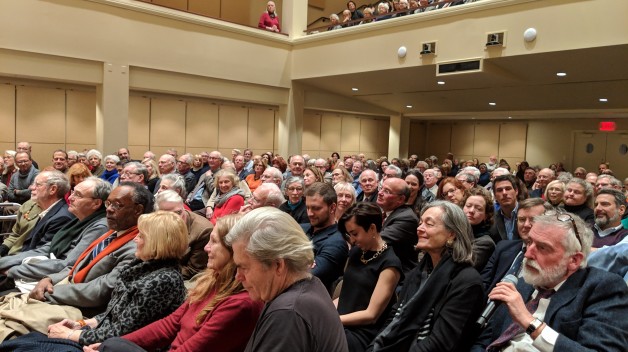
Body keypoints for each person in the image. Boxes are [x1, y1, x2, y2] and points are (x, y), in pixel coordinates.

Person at [0, 211, 189, 351]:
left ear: (157, 243)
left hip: (114, 346)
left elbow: (125, 331)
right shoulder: (142, 265)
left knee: (27, 346)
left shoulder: (162, 280)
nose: (136, 240)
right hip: (100, 334)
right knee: (24, 341)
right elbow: (113, 313)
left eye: (141, 236)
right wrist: (83, 324)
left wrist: (74, 335)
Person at [82, 214, 264, 352]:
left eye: (214, 242)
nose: (206, 248)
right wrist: (104, 345)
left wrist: (95, 342)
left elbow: (192, 349)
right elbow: (169, 325)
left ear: (234, 251)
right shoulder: (212, 282)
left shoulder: (240, 304)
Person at [471, 211, 628, 352]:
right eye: (530, 242)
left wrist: (528, 321)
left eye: (542, 248)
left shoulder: (602, 287)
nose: (528, 254)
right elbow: (485, 340)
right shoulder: (526, 281)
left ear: (574, 260)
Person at [225, 207, 349, 352]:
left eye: (244, 267)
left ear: (278, 265)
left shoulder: (288, 313)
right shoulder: (307, 286)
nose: (238, 276)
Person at [368, 201, 484, 351]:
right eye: (420, 222)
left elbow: (441, 343)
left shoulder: (466, 282)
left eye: (429, 224)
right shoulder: (418, 272)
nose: (419, 229)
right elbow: (393, 318)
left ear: (452, 234)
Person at [336, 203, 402, 352]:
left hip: (362, 331)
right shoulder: (356, 252)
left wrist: (333, 320)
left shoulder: (390, 264)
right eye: (349, 235)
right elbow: (346, 294)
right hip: (342, 320)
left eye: (355, 234)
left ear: (372, 228)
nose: (352, 240)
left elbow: (371, 315)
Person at [378, 177, 419, 275]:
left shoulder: (407, 218)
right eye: (381, 188)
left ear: (400, 199)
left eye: (387, 191)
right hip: (382, 267)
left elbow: (377, 242)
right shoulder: (384, 212)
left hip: (399, 276)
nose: (380, 193)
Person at [462, 187, 496, 271]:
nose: (471, 211)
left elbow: (461, 266)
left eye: (478, 208)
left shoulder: (486, 243)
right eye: (468, 206)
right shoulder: (454, 231)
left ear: (486, 215)